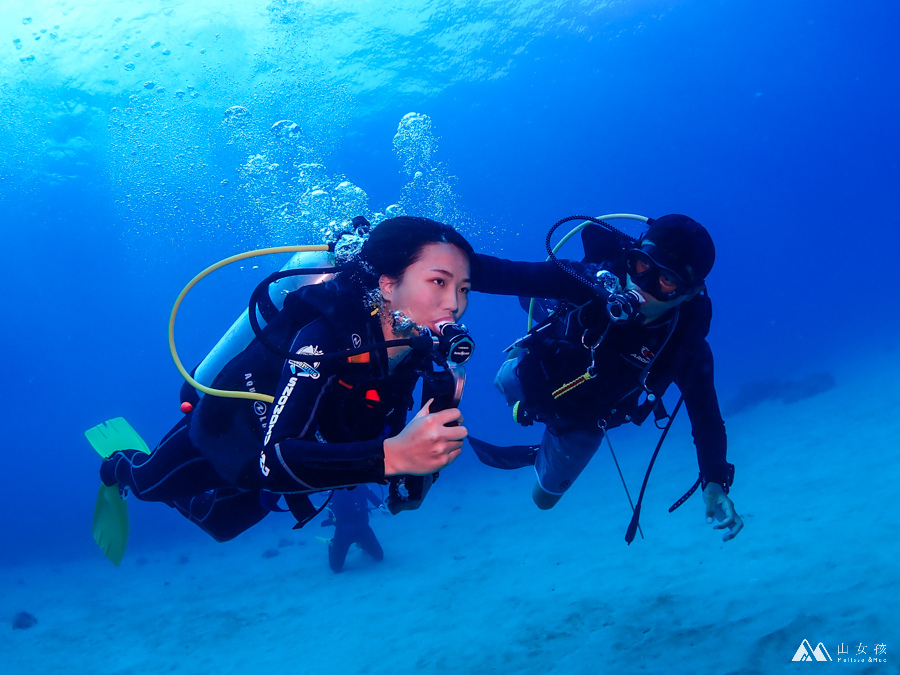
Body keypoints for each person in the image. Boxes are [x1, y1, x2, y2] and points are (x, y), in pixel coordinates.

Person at [97, 216, 474, 543]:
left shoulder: (419, 353)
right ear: (389, 285)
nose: (454, 305)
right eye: (438, 282)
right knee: (146, 485)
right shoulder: (326, 336)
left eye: (463, 289)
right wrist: (395, 456)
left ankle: (184, 491)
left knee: (220, 526)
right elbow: (277, 461)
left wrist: (413, 475)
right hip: (225, 431)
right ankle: (118, 465)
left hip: (288, 466)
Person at [470, 214, 743, 542]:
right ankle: (544, 317)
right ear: (633, 256)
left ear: (689, 293)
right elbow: (503, 273)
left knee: (543, 501)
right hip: (534, 377)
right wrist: (425, 272)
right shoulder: (590, 280)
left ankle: (541, 453)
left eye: (666, 281)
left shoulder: (684, 347)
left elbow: (707, 418)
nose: (642, 286)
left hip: (584, 423)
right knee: (505, 379)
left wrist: (714, 482)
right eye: (641, 266)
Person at [320, 485, 385, 573]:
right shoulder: (335, 489)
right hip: (343, 531)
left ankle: (362, 544)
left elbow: (370, 495)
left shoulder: (359, 484)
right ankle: (332, 543)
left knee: (379, 556)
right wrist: (332, 521)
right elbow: (331, 512)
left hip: (362, 528)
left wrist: (381, 506)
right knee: (336, 567)